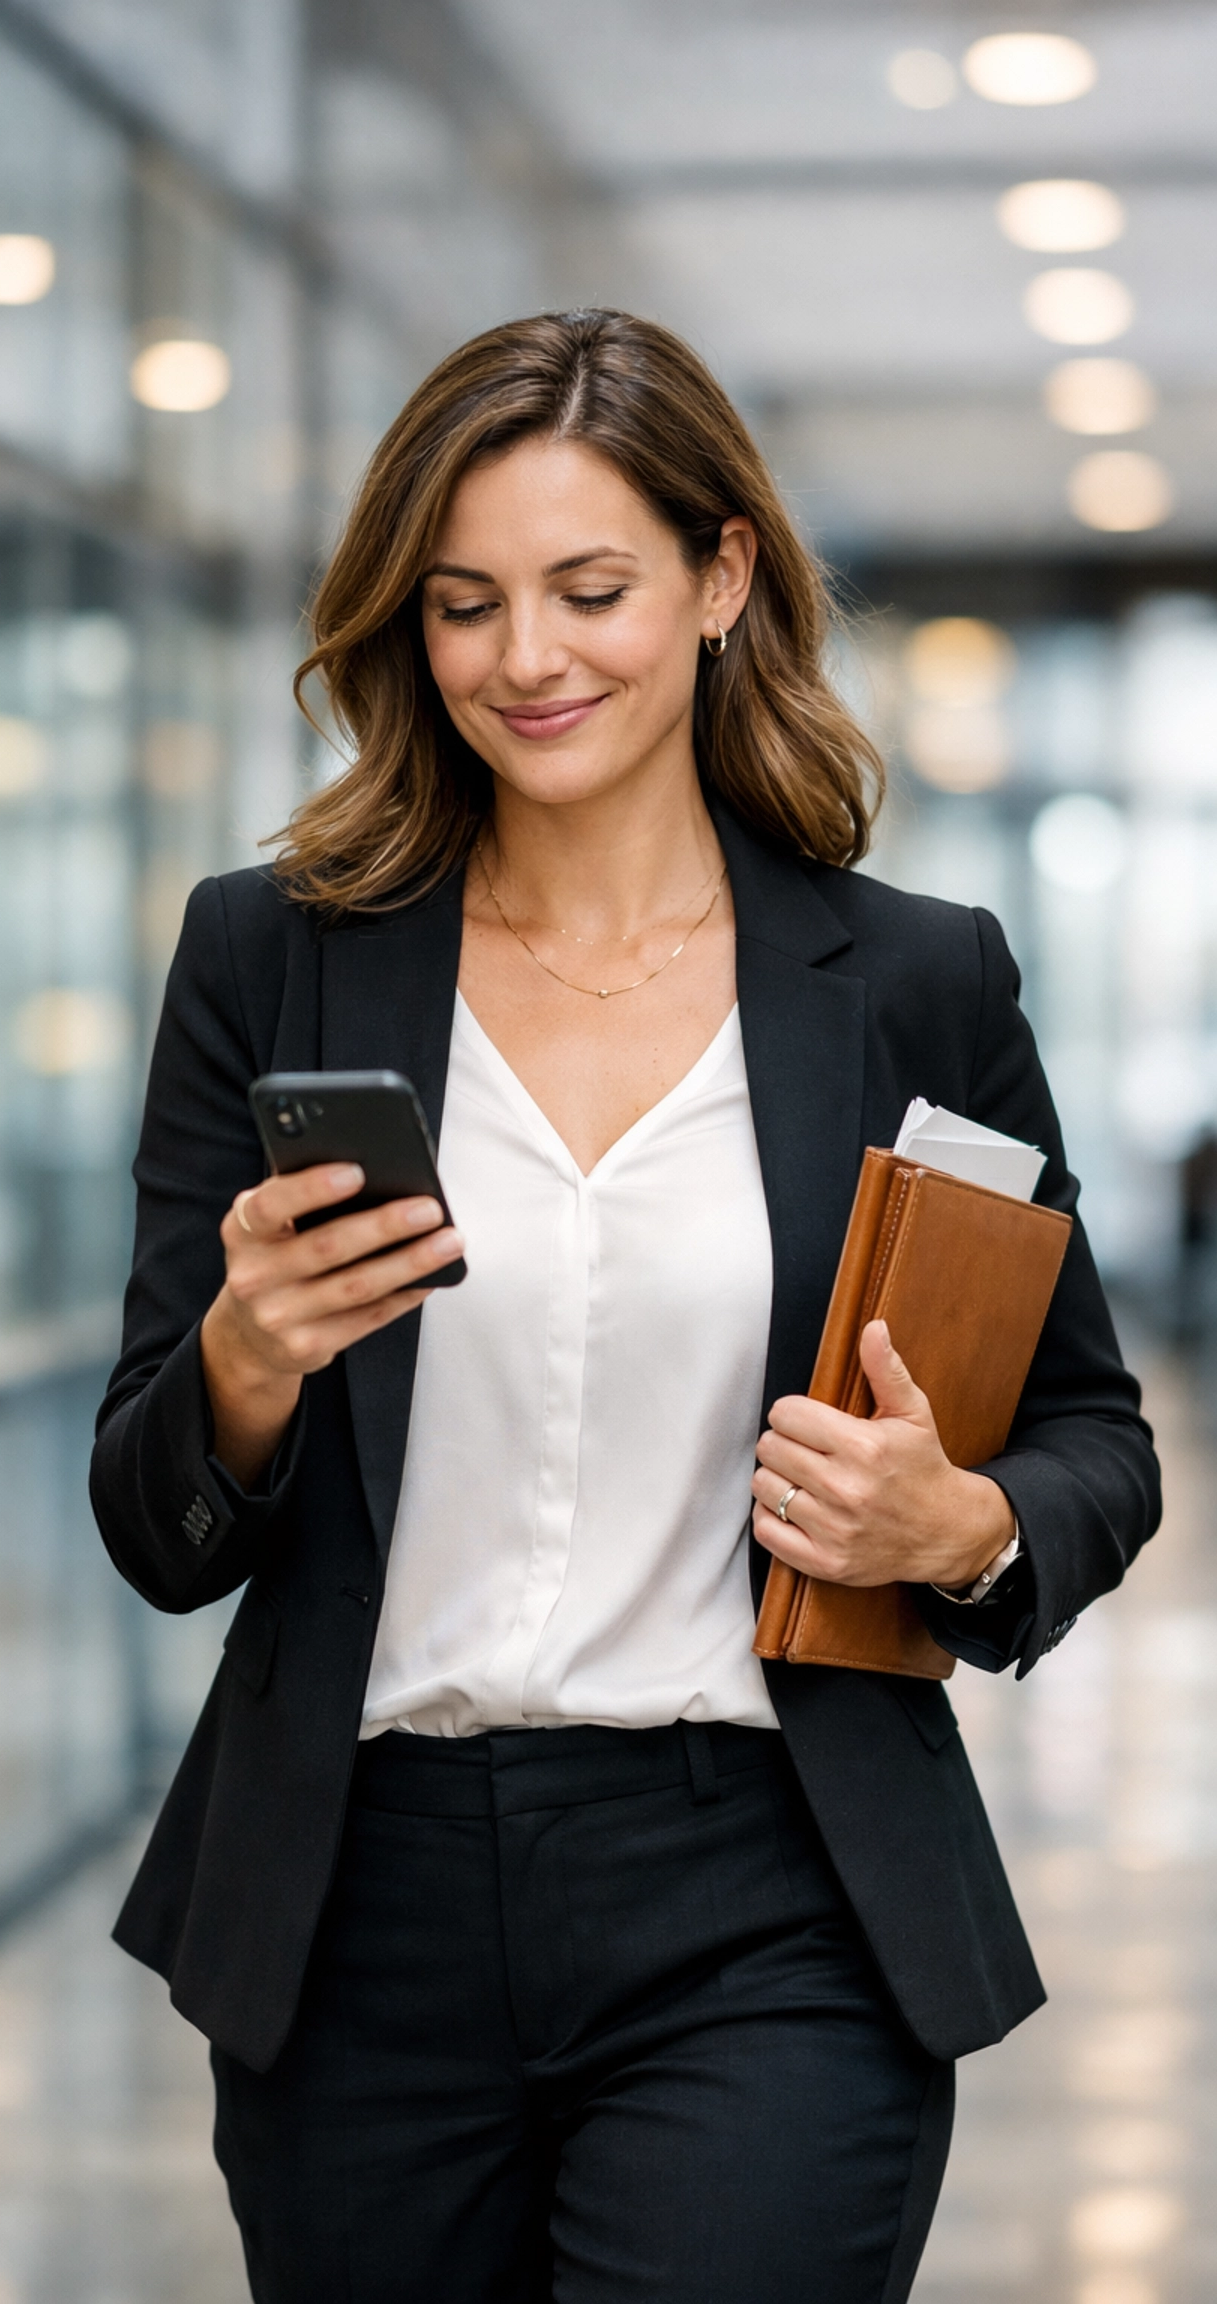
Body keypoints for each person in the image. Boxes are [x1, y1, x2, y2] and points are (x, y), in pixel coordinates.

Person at [90, 310, 1160, 2304]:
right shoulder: (271, 962)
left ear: (721, 576)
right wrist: (242, 1359)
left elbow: (1096, 1441)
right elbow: (152, 1518)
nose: (527, 660)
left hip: (772, 1877)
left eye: (591, 590)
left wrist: (968, 1527)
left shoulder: (913, 981)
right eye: (466, 603)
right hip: (359, 1907)